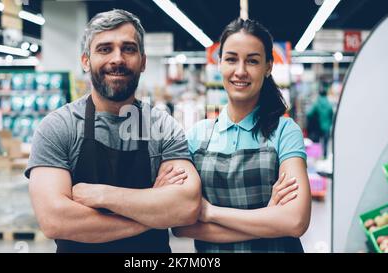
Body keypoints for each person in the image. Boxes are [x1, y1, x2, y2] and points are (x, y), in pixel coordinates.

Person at [25, 9, 203, 253]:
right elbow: (55, 220)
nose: (117, 59)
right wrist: (154, 210)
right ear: (86, 60)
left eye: (128, 49)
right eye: (104, 49)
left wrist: (100, 195)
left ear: (143, 61)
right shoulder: (57, 127)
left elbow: (186, 206)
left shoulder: (163, 127)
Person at [172, 18, 311, 253]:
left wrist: (209, 213)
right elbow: (181, 226)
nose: (240, 71)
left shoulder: (285, 132)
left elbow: (295, 221)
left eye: (252, 61)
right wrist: (269, 218)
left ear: (268, 67)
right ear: (219, 64)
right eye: (231, 59)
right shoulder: (197, 136)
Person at [306, 84, 333, 158]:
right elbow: (332, 115)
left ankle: (318, 156)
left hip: (318, 127)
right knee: (325, 143)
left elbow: (309, 114)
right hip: (327, 127)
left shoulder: (317, 103)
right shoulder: (329, 104)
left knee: (317, 143)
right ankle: (325, 156)